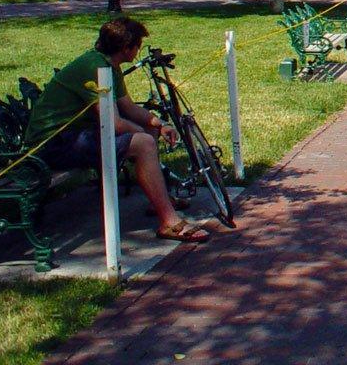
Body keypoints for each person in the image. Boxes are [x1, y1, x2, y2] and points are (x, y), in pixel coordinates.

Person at [23, 17, 210, 243]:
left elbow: (128, 108)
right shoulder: (96, 68)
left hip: (74, 138)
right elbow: (115, 123)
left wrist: (159, 124)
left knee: (148, 133)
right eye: (138, 46)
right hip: (51, 146)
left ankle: (159, 199)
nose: (138, 51)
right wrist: (142, 133)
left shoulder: (109, 66)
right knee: (143, 142)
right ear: (126, 48)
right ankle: (169, 222)